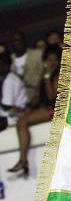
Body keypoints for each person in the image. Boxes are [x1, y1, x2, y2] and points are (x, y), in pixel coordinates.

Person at [8, 45, 60, 177]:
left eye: (55, 60)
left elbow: (51, 96)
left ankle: (23, 160)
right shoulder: (45, 73)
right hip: (46, 107)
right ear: (44, 61)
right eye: (49, 60)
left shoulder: (59, 73)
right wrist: (27, 108)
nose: (51, 62)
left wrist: (48, 77)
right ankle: (23, 160)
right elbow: (37, 96)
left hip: (57, 109)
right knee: (21, 121)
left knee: (22, 122)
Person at [0, 52, 26, 135]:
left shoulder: (10, 80)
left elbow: (6, 106)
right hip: (8, 114)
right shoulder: (5, 78)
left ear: (6, 66)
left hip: (14, 117)